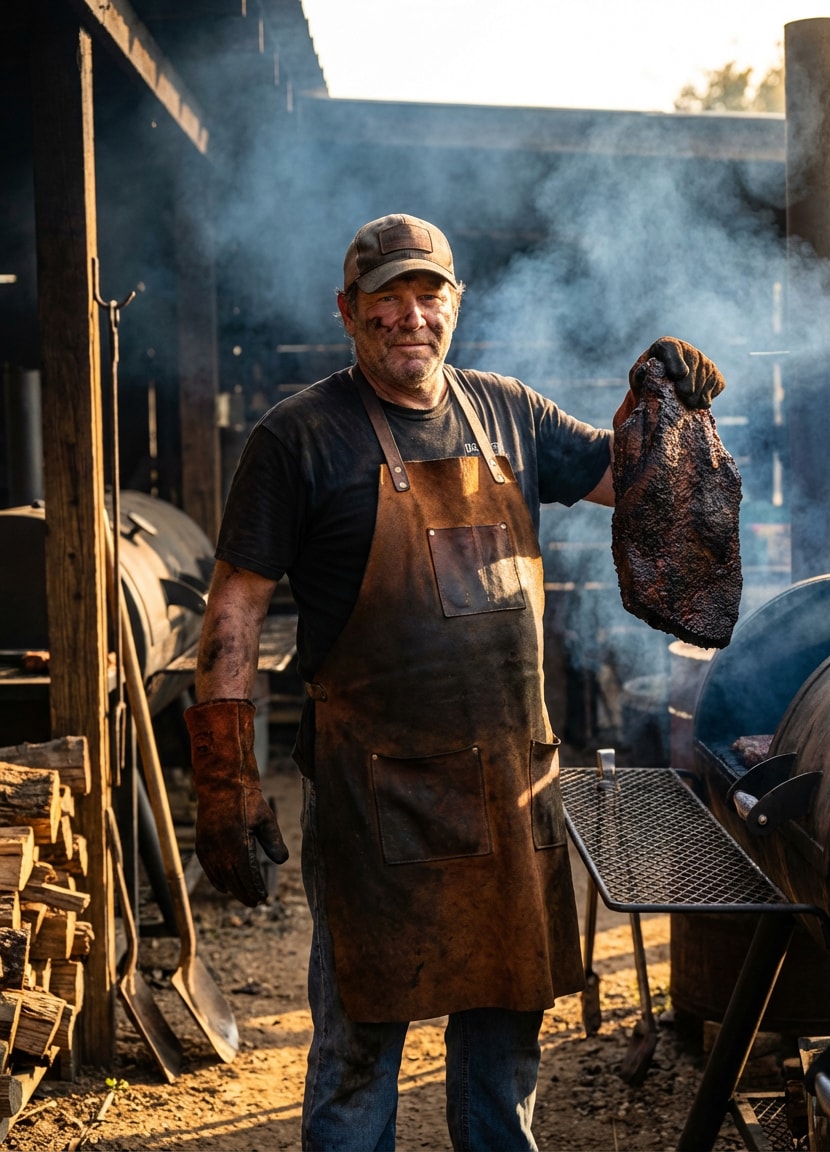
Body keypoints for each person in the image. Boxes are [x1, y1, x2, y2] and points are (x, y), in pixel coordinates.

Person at [184, 213, 726, 1152]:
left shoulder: (508, 411)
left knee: (507, 1040)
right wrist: (225, 773)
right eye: (386, 298)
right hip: (373, 799)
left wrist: (663, 412)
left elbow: (626, 481)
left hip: (512, 789)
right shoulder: (299, 437)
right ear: (348, 313)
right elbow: (233, 607)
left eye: (428, 294)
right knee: (361, 1047)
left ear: (454, 304)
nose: (410, 316)